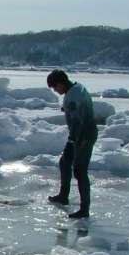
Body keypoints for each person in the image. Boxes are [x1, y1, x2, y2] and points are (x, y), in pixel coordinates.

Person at [46, 69, 98, 219]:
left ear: (61, 83)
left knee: (80, 171)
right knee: (64, 163)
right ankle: (63, 195)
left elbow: (77, 121)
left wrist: (73, 141)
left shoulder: (73, 96)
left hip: (84, 135)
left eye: (55, 87)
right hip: (79, 134)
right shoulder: (75, 89)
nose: (55, 91)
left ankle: (84, 209)